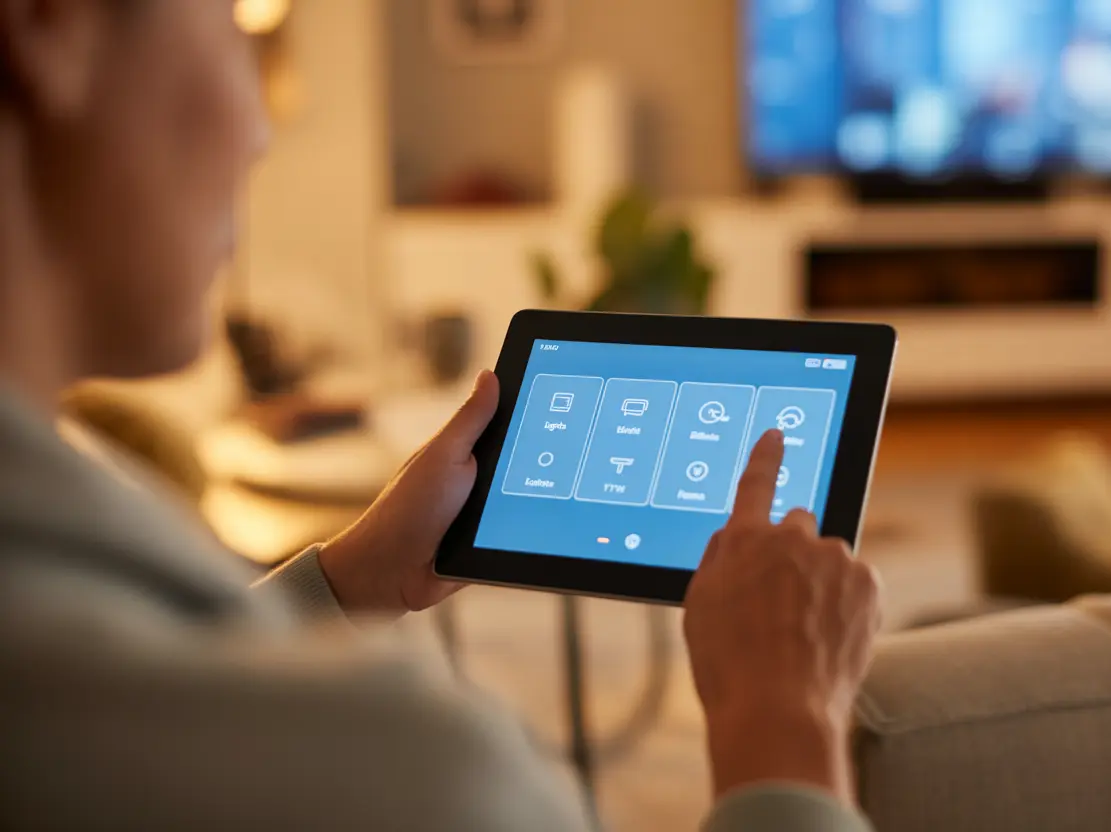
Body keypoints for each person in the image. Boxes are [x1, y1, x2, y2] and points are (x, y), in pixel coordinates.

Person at [0, 1, 882, 829]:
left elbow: (165, 698)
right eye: (230, 22)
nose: (260, 133)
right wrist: (784, 727)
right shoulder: (424, 777)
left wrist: (344, 585)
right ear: (48, 22)